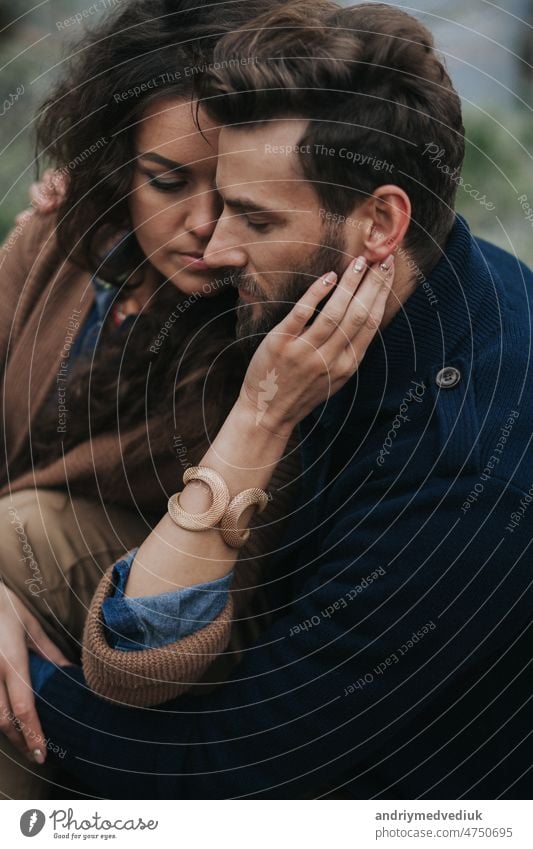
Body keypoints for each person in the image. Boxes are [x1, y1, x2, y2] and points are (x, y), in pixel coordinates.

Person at [15, 0, 533, 799]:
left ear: (378, 223)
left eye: (253, 217)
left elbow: (230, 773)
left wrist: (26, 694)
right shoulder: (415, 275)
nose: (217, 246)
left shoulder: (462, 476)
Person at [0, 0, 361, 798]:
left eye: (236, 194)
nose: (204, 227)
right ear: (112, 164)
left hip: (156, 621)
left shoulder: (275, 318)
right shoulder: (61, 240)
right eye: (165, 179)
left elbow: (220, 622)